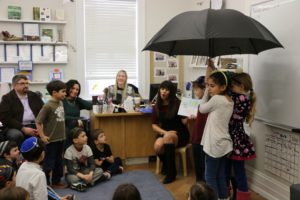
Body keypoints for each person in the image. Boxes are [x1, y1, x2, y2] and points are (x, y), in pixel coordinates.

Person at [199, 63, 234, 199]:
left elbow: (201, 108)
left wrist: (206, 92)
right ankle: (224, 198)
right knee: (220, 176)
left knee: (210, 177)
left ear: (223, 87)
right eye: (208, 85)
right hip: (224, 144)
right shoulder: (228, 100)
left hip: (214, 144)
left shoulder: (217, 100)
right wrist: (210, 74)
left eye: (212, 86)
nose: (209, 89)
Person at [152, 80, 189, 184]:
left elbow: (184, 121)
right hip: (165, 132)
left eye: (167, 90)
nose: (164, 92)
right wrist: (165, 132)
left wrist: (189, 116)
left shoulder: (178, 103)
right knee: (157, 146)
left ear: (171, 92)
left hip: (179, 133)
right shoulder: (156, 106)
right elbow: (154, 125)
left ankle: (171, 173)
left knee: (168, 138)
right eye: (162, 89)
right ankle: (168, 165)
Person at [227, 72, 256, 200]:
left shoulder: (241, 98)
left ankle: (241, 196)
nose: (231, 89)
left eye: (233, 86)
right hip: (235, 137)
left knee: (238, 171)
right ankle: (233, 195)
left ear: (242, 86)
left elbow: (225, 92)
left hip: (236, 139)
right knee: (232, 170)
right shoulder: (243, 97)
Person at [35, 80, 67, 188]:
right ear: (54, 93)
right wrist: (42, 136)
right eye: (63, 91)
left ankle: (56, 181)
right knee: (49, 162)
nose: (65, 94)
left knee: (59, 161)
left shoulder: (61, 103)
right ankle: (45, 183)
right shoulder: (47, 106)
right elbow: (38, 122)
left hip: (61, 138)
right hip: (51, 140)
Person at [0, 75, 44, 145]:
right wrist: (22, 128)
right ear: (14, 85)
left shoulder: (34, 96)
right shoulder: (7, 98)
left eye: (27, 83)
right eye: (22, 83)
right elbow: (5, 118)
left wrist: (40, 127)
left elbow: (43, 112)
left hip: (35, 124)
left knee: (50, 130)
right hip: (15, 127)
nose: (26, 85)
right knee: (16, 135)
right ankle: (19, 154)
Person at [64, 127, 108, 192]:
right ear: (75, 140)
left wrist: (90, 174)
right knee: (72, 179)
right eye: (83, 136)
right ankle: (90, 182)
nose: (86, 137)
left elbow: (92, 164)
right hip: (74, 174)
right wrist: (83, 177)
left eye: (86, 135)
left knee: (100, 170)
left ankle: (81, 184)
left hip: (85, 171)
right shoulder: (69, 151)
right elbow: (70, 169)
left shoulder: (87, 148)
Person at [63, 79, 92, 148]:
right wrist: (77, 119)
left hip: (77, 128)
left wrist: (78, 98)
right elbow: (62, 117)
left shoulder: (77, 101)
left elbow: (89, 106)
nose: (75, 91)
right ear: (68, 88)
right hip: (66, 128)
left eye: (77, 90)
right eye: (73, 88)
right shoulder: (62, 100)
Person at [189, 76, 208, 182]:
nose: (195, 92)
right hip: (196, 137)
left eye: (196, 89)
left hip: (203, 138)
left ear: (204, 90)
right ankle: (198, 184)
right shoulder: (196, 103)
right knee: (197, 164)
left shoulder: (207, 103)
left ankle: (204, 187)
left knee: (203, 163)